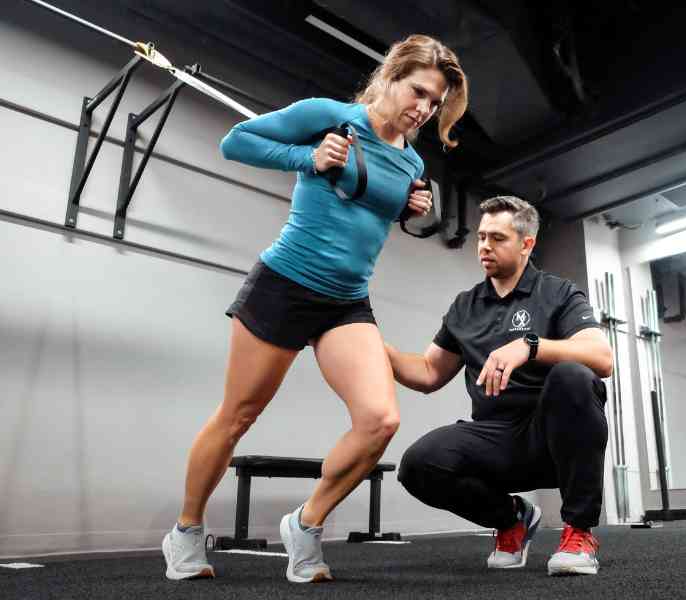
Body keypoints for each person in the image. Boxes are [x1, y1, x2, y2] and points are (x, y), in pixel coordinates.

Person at [161, 34, 468, 584]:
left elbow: (372, 208)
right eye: (419, 91)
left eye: (434, 102)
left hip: (346, 300)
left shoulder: (413, 161)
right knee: (238, 416)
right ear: (392, 77)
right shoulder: (331, 117)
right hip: (284, 284)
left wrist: (411, 208)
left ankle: (305, 523)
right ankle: (185, 531)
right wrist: (309, 155)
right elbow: (236, 143)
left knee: (380, 420)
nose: (423, 107)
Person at [385, 196, 612, 576]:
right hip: (496, 438)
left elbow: (602, 358)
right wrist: (378, 350)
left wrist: (531, 345)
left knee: (573, 375)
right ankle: (510, 519)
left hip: (553, 437)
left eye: (498, 238)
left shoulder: (558, 293)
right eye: (481, 237)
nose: (485, 246)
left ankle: (579, 533)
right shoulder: (465, 306)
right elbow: (427, 373)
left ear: (527, 244)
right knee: (418, 465)